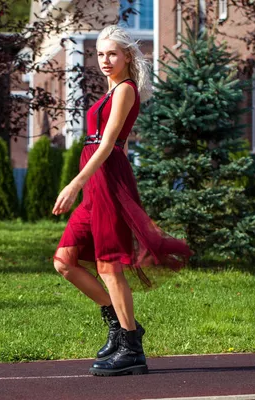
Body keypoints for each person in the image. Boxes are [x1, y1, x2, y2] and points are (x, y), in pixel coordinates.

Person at [52, 25, 193, 377]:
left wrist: (74, 184)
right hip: (97, 185)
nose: (105, 60)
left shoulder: (126, 90)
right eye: (100, 54)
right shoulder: (111, 90)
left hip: (103, 183)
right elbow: (122, 146)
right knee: (64, 261)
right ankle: (119, 323)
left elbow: (109, 144)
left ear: (127, 55)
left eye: (112, 53)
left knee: (108, 266)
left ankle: (131, 348)